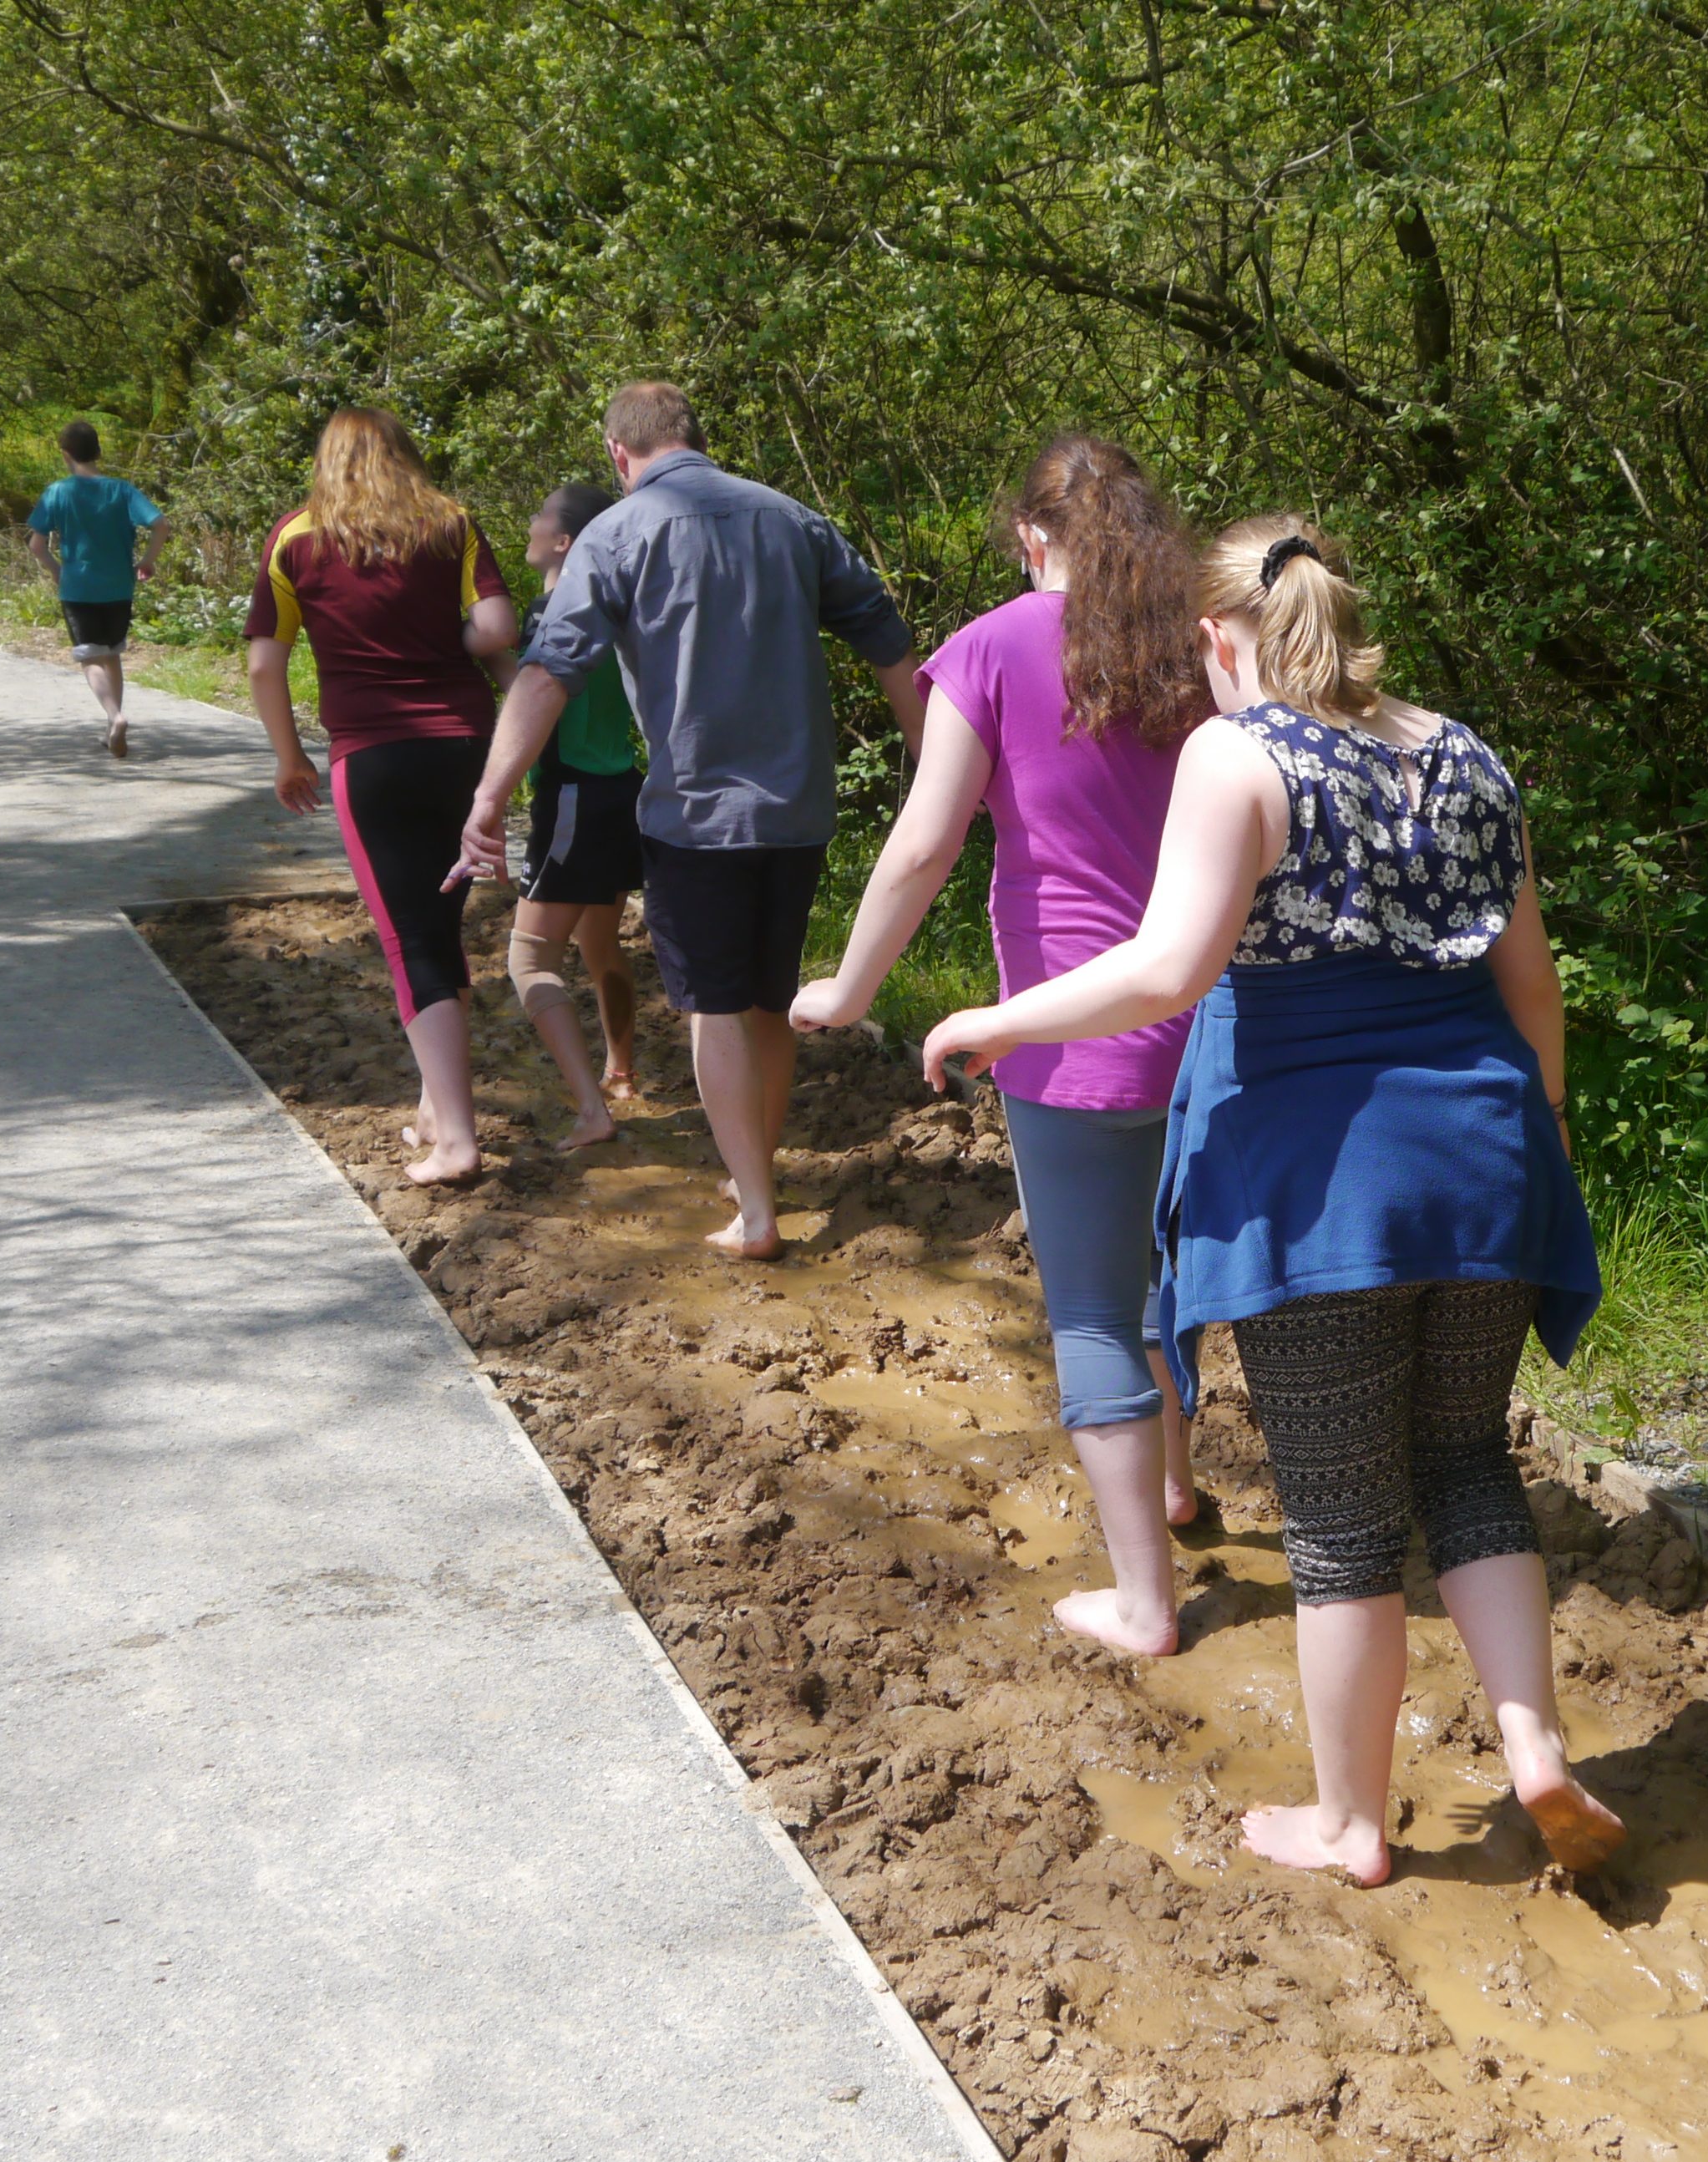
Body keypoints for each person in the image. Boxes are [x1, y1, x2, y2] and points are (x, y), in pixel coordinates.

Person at [919, 515, 1621, 1886]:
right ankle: (1532, 1747)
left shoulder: (1237, 753)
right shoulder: (1467, 752)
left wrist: (999, 1018)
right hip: (1485, 1162)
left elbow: (1164, 970)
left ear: (1215, 638)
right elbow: (1533, 993)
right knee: (1467, 1464)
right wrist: (1531, 1146)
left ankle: (1349, 1823)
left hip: (1320, 1185)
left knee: (1343, 1516)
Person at [792, 434, 1209, 1657]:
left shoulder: (986, 649)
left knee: (1090, 1305)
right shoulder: (1203, 642)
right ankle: (1176, 1486)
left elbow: (925, 845)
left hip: (1070, 1037)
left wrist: (851, 984)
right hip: (1211, 1024)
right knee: (1164, 1280)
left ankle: (1143, 1601)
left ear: (1032, 537)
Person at [459, 382, 925, 1259]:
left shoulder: (618, 532)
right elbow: (888, 641)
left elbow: (549, 671)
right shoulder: (792, 520)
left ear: (617, 455)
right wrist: (938, 768)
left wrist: (490, 797)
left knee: (714, 1006)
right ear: (695, 437)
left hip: (696, 816)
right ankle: (758, 1170)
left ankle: (754, 1212)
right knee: (768, 999)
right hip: (798, 810)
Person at [244, 409, 522, 1185]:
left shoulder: (295, 536)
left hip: (372, 756)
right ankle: (437, 1108)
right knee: (439, 925)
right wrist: (443, 642)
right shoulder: (448, 522)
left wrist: (288, 756)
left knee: (410, 942)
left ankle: (459, 1140)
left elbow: (267, 665)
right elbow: (498, 627)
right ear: (405, 454)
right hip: (467, 747)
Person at [501, 478, 647, 1150]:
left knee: (530, 959)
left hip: (573, 798)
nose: (528, 525)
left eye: (539, 516)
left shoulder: (552, 610)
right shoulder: (618, 604)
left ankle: (592, 1111)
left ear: (564, 541)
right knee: (597, 945)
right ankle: (622, 1067)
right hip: (620, 790)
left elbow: (538, 699)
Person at [24, 420, 168, 758]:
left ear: (65, 455)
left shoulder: (58, 492)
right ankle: (110, 727)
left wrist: (58, 571)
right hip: (119, 586)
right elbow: (161, 524)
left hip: (78, 588)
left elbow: (36, 545)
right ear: (98, 452)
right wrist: (147, 560)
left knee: (90, 657)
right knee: (112, 652)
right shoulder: (122, 490)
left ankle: (115, 717)